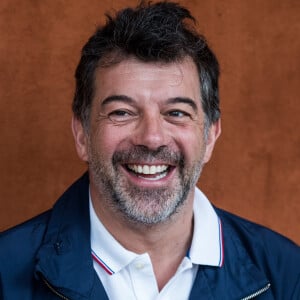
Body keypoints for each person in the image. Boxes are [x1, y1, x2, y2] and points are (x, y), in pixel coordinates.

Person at [0, 1, 299, 299]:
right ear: (82, 134)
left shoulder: (287, 275)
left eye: (177, 112)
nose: (152, 138)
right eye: (122, 112)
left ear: (210, 136)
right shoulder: (5, 273)